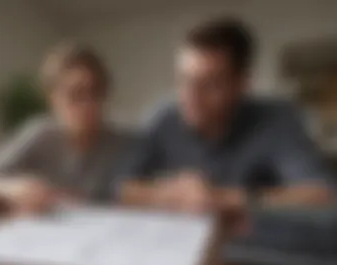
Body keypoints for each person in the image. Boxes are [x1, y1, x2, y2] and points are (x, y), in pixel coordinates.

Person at [116, 18, 334, 215]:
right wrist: (170, 192)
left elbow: (323, 194)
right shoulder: (164, 116)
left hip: (249, 246)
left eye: (210, 84)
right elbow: (121, 189)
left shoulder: (278, 118)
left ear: (241, 84)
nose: (190, 96)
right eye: (184, 80)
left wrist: (223, 198)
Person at [0, 43, 128, 213]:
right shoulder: (40, 133)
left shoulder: (121, 142)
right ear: (53, 98)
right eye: (76, 94)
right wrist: (13, 188)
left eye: (96, 92)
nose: (88, 104)